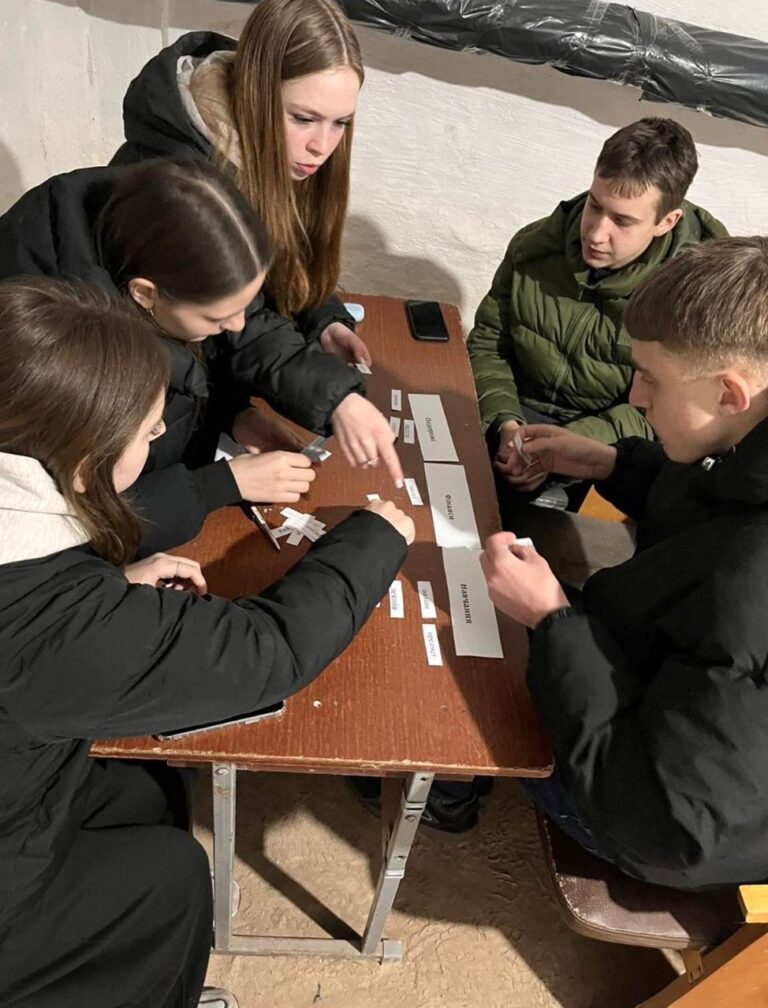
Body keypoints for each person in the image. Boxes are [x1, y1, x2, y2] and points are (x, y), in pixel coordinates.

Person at [0, 276, 414, 1007]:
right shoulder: (51, 621)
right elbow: (267, 653)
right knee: (173, 877)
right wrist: (378, 536)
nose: (160, 435)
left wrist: (107, 581)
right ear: (86, 470)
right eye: (147, 431)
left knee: (150, 783)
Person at [481, 236, 768, 889]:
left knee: (484, 660)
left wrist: (553, 621)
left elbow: (665, 825)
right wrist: (613, 464)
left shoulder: (749, 585)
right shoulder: (746, 432)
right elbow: (718, 499)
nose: (636, 397)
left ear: (730, 392)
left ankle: (450, 791)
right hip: (671, 708)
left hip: (650, 821)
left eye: (652, 379)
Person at [0, 157, 403, 555]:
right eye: (217, 317)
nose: (239, 325)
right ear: (144, 294)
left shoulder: (157, 251)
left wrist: (232, 415)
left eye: (247, 305)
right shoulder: (58, 356)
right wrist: (221, 484)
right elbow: (77, 524)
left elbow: (191, 363)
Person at [468, 117, 728, 511]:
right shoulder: (535, 247)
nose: (595, 233)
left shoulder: (694, 300)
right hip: (506, 414)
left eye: (622, 221)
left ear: (666, 222)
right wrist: (504, 422)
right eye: (595, 205)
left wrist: (567, 448)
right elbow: (490, 343)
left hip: (603, 445)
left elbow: (661, 411)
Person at [112, 0, 372, 371]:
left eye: (341, 123)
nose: (322, 146)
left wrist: (324, 321)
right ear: (255, 93)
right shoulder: (178, 172)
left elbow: (280, 264)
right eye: (303, 118)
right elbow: (227, 321)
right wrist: (327, 391)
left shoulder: (282, 155)